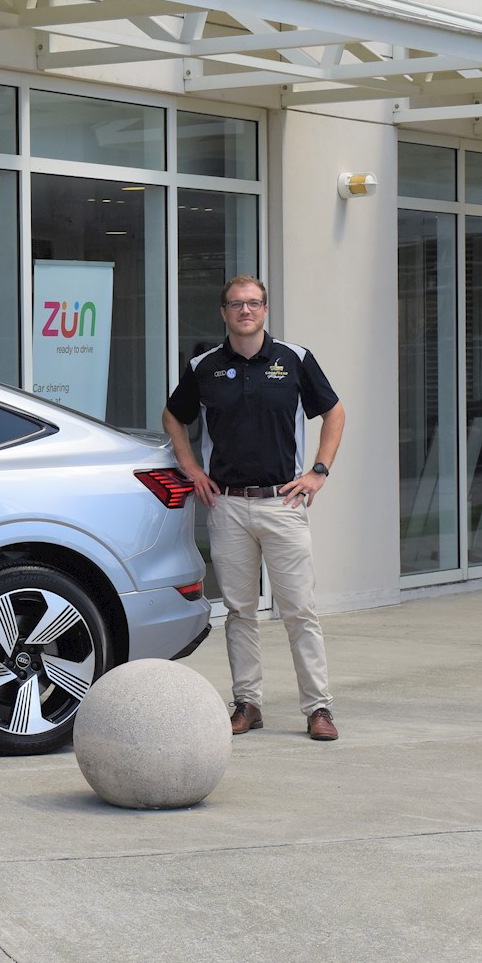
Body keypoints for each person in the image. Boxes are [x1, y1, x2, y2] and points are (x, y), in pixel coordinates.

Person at [162, 276, 347, 741]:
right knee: (240, 611)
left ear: (265, 310)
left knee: (299, 610)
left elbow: (335, 412)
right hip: (226, 506)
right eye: (236, 305)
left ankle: (319, 708)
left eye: (254, 303)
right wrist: (190, 467)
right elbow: (173, 416)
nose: (245, 311)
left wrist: (318, 471)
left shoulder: (295, 359)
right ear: (223, 313)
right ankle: (247, 703)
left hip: (282, 503)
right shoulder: (204, 366)